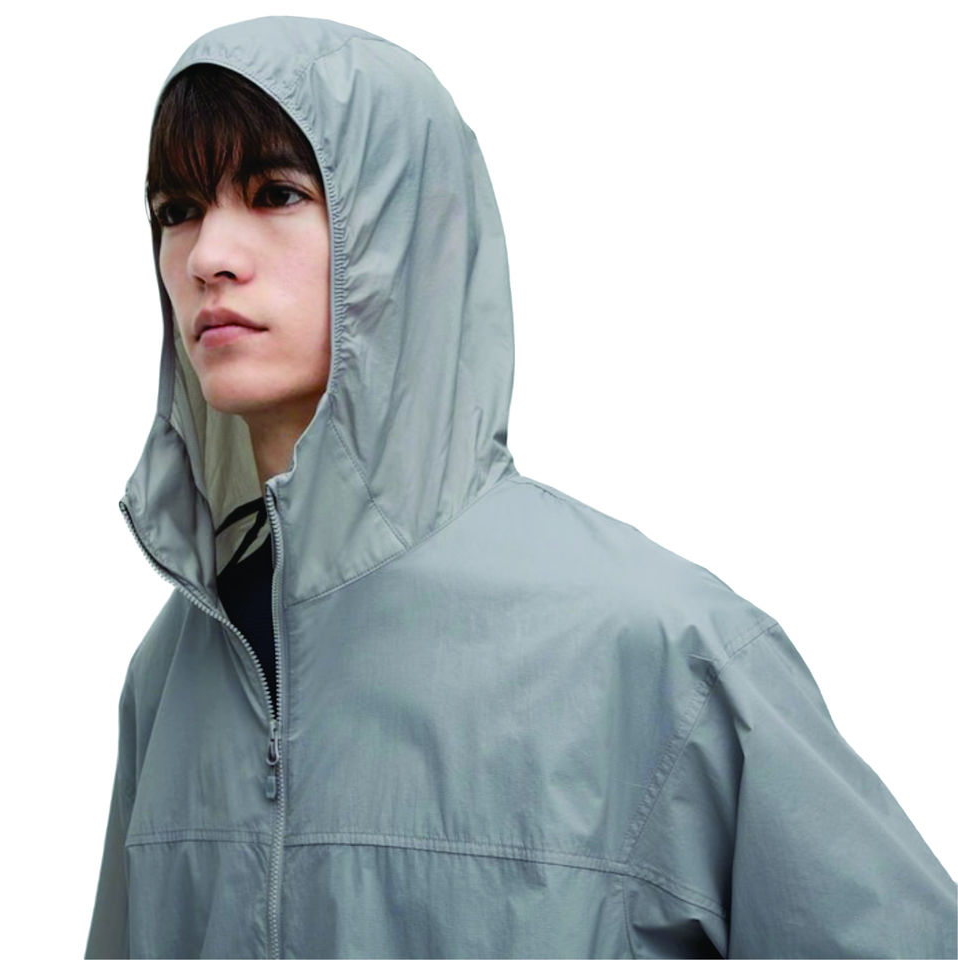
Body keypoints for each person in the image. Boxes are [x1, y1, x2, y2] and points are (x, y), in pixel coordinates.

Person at [85, 15, 956, 960]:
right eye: (177, 209)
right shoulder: (170, 674)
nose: (208, 254)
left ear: (403, 233)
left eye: (277, 194)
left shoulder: (660, 651)